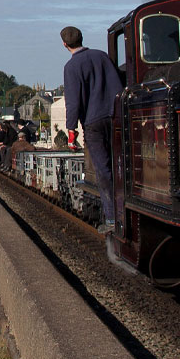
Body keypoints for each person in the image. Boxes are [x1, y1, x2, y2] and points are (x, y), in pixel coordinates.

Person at [61, 25, 123, 233]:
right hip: (116, 115)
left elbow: (73, 102)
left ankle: (113, 218)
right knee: (122, 162)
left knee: (103, 169)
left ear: (65, 44)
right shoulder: (102, 56)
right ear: (82, 38)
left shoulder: (71, 67)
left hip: (93, 122)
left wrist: (71, 131)